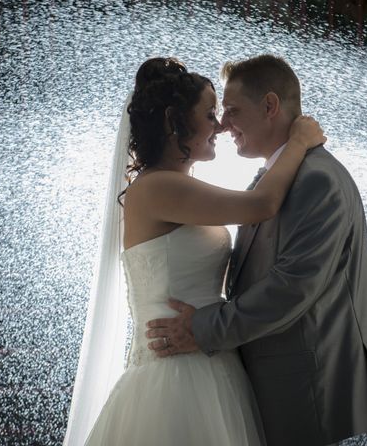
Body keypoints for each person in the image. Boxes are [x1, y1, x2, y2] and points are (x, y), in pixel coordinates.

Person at [64, 57, 325, 446]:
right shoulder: (157, 189)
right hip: (173, 379)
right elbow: (262, 204)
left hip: (209, 362)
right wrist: (299, 141)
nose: (220, 126)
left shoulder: (179, 187)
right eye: (209, 114)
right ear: (175, 122)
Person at [146, 54, 367, 445]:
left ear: (269, 106)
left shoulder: (316, 180)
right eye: (219, 112)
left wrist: (203, 328)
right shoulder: (278, 179)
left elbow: (293, 286)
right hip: (255, 382)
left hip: (302, 390)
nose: (225, 125)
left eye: (232, 111)